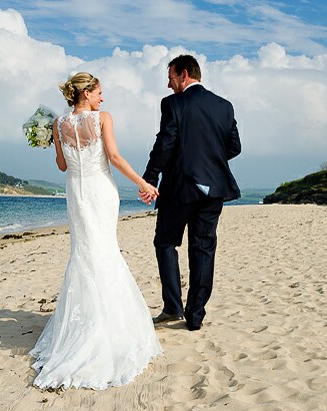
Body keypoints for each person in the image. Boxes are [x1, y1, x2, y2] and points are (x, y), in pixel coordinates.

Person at [29, 72, 162, 390]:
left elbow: (62, 166)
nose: (103, 98)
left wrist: (55, 145)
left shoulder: (58, 124)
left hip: (76, 191)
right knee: (103, 252)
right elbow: (113, 157)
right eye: (99, 92)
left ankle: (85, 324)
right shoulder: (103, 118)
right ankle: (106, 328)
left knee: (85, 253)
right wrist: (143, 183)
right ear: (86, 93)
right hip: (101, 190)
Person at [141, 55, 242, 331]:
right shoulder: (224, 107)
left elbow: (166, 144)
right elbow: (234, 147)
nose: (168, 83)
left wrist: (150, 178)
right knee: (203, 249)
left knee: (165, 243)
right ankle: (195, 315)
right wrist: (208, 159)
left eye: (171, 77)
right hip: (214, 191)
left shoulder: (173, 104)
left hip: (179, 188)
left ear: (184, 75)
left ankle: (173, 307)